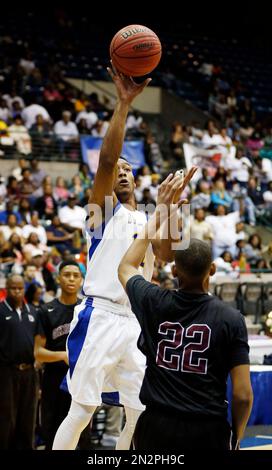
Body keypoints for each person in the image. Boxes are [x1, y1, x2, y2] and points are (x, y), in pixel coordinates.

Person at [52, 63, 197, 451]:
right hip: (98, 315)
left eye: (128, 168)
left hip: (135, 319)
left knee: (140, 411)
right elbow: (104, 160)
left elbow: (166, 255)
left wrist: (172, 206)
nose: (120, 171)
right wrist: (123, 103)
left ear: (137, 179)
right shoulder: (102, 213)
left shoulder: (149, 218)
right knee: (82, 410)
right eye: (116, 168)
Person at [118, 177, 253, 451]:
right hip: (207, 430)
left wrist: (159, 214)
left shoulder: (153, 300)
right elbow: (242, 395)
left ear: (174, 271)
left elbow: (125, 267)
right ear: (212, 270)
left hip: (156, 426)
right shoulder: (231, 318)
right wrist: (237, 437)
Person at [34, 260, 91, 449]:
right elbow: (38, 352)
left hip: (81, 381)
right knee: (53, 433)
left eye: (76, 276)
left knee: (81, 436)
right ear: (58, 278)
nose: (72, 279)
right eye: (67, 275)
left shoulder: (87, 311)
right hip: (54, 382)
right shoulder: (45, 311)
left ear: (82, 280)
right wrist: (64, 356)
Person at [0, 274, 38, 449]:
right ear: (6, 289)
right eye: (13, 288)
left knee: (28, 417)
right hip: (7, 373)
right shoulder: (1, 311)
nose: (16, 291)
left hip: (30, 372)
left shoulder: (33, 311)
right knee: (7, 418)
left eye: (20, 288)